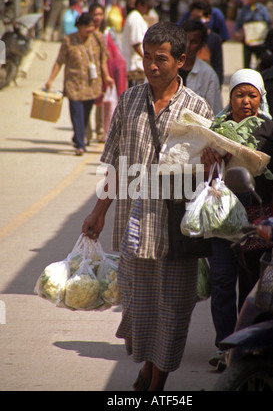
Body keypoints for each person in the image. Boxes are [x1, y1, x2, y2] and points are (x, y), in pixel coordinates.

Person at [81, 21, 214, 391]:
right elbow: (113, 162)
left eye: (161, 59)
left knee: (172, 312)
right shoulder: (129, 99)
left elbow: (209, 171)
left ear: (181, 60)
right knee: (138, 310)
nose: (151, 66)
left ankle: (155, 385)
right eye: (146, 58)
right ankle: (147, 370)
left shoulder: (197, 108)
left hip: (176, 228)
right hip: (133, 225)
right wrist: (98, 212)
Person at [201, 68, 273, 369]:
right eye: (239, 94)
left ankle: (242, 346)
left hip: (258, 220)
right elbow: (198, 176)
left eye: (252, 95)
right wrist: (206, 161)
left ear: (261, 98)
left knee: (252, 282)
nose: (246, 101)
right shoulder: (212, 131)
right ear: (229, 97)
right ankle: (223, 345)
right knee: (221, 280)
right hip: (220, 217)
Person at [45, 12, 114, 155]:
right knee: (77, 113)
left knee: (85, 114)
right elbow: (59, 61)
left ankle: (77, 136)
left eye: (93, 26)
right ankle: (80, 145)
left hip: (92, 84)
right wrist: (50, 79)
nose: (91, 29)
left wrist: (107, 76)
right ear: (79, 27)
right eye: (88, 26)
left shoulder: (98, 38)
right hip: (74, 84)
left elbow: (103, 59)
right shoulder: (68, 40)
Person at [87, 3, 127, 143]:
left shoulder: (108, 32)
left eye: (100, 14)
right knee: (87, 100)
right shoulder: (86, 31)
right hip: (88, 70)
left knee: (101, 100)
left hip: (105, 70)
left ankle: (100, 130)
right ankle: (86, 133)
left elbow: (117, 52)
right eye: (95, 14)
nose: (97, 17)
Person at [180, 19, 222, 114]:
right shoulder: (166, 68)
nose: (188, 45)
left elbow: (215, 111)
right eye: (185, 40)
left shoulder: (208, 74)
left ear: (201, 44)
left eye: (194, 42)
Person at [121, 0, 156, 86]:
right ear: (140, 5)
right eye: (148, 7)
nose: (149, 10)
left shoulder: (137, 17)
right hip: (134, 67)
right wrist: (147, 58)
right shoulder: (135, 18)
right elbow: (136, 43)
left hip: (135, 66)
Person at [234, 0, 271, 68]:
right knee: (246, 62)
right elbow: (238, 23)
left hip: (260, 41)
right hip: (248, 40)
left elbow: (268, 23)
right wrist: (237, 33)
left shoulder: (262, 9)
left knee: (262, 61)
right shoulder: (244, 10)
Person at [189, 0, 224, 86]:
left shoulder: (215, 39)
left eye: (198, 17)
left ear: (208, 17)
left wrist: (217, 86)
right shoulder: (184, 36)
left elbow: (218, 67)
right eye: (192, 17)